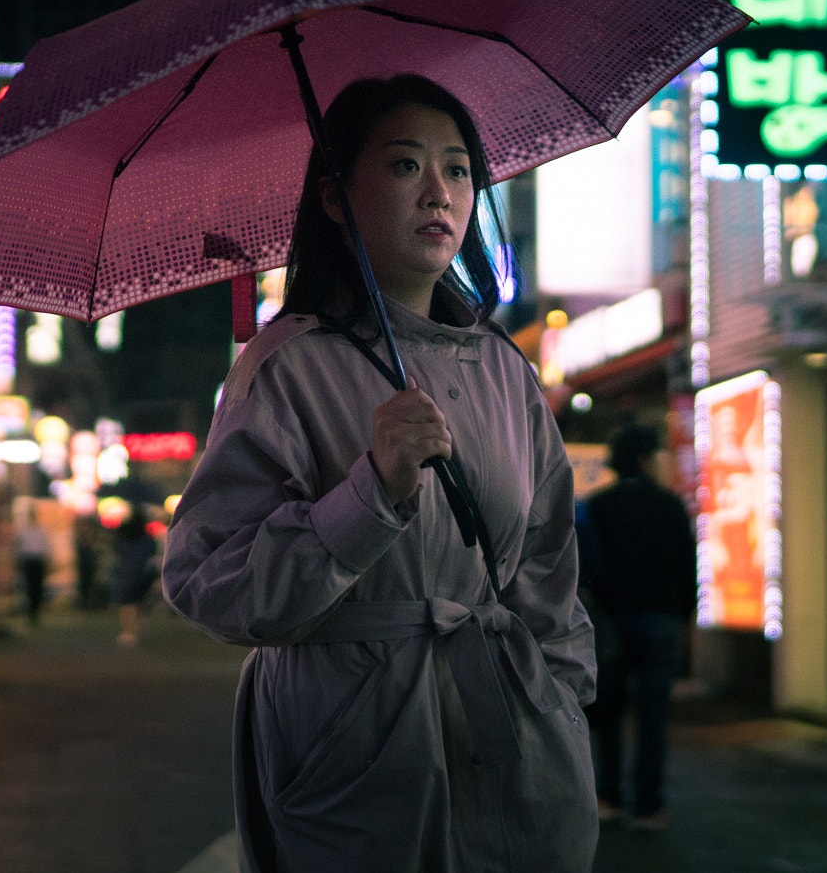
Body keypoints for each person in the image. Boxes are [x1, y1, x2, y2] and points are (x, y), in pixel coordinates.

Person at [162, 75, 598, 872]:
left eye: (459, 169)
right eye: (404, 166)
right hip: (348, 744)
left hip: (512, 732)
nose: (440, 192)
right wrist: (373, 491)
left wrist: (561, 703)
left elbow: (547, 567)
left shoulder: (505, 368)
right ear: (335, 197)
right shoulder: (286, 365)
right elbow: (209, 579)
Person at [583, 424, 696, 830]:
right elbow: (688, 567)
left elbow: (587, 567)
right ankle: (648, 806)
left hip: (613, 623)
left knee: (608, 713)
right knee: (652, 716)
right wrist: (683, 617)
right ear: (647, 460)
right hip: (661, 619)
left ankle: (609, 797)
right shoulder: (670, 506)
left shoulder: (597, 507)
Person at [111, 504, 160, 645]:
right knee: (138, 602)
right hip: (143, 572)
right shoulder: (146, 537)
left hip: (126, 571)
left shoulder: (123, 535)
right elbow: (152, 551)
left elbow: (117, 549)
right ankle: (136, 629)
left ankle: (128, 631)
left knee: (126, 603)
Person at [14, 509, 51, 626]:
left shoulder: (41, 530)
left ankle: (35, 614)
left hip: (37, 561)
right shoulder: (24, 530)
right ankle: (31, 614)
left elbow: (45, 547)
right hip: (29, 561)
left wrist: (47, 561)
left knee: (38, 588)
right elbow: (19, 547)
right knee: (30, 588)